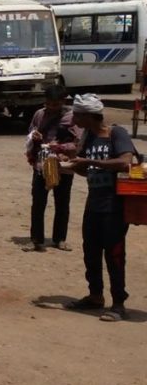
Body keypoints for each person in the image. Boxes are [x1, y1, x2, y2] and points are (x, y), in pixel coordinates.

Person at [65, 93, 136, 321]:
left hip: (114, 204)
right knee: (91, 252)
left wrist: (91, 162)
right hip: (94, 203)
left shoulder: (116, 133)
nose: (73, 118)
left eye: (77, 114)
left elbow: (125, 162)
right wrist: (71, 161)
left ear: (89, 116)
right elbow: (85, 170)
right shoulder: (87, 137)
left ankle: (118, 304)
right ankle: (95, 296)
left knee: (114, 254)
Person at [25, 85, 80, 251]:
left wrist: (62, 148)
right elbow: (30, 132)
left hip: (62, 165)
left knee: (62, 202)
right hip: (42, 164)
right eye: (49, 103)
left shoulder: (72, 118)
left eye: (55, 104)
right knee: (38, 202)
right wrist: (34, 137)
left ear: (63, 102)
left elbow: (78, 142)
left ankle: (60, 239)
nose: (51, 107)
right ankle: (36, 239)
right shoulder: (39, 115)